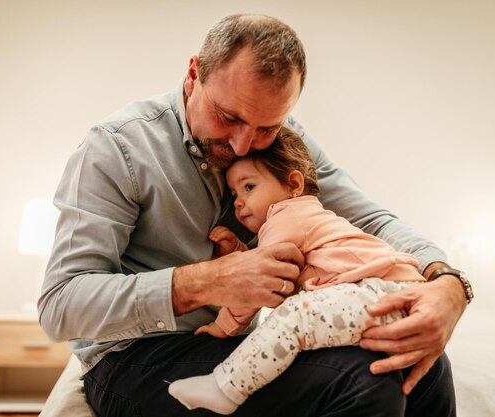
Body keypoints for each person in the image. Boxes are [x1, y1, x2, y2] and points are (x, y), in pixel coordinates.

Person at [38, 13, 471, 417]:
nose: (245, 145)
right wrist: (209, 280)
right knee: (364, 380)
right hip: (134, 357)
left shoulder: (285, 141)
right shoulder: (117, 149)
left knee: (424, 366)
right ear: (193, 75)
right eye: (229, 117)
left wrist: (447, 283)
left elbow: (372, 220)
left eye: (266, 127)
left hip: (237, 345)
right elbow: (60, 306)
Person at [168, 127, 427, 414]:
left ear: (293, 185)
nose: (239, 202)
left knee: (295, 315)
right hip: (395, 296)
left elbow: (257, 284)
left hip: (381, 295)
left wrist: (224, 326)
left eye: (249, 187)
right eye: (234, 193)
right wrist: (241, 254)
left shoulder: (286, 214)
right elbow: (267, 266)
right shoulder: (305, 216)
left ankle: (225, 387)